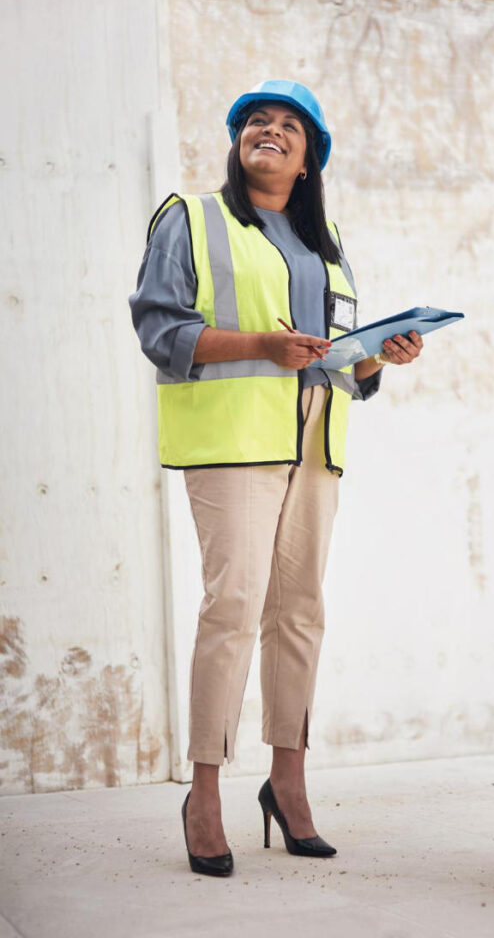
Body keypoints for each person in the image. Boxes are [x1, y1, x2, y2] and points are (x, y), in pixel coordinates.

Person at [129, 79, 423, 877]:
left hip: (315, 441)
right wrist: (261, 342)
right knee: (233, 607)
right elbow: (161, 329)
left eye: (290, 126)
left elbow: (337, 364)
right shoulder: (190, 217)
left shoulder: (322, 237)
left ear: (309, 158)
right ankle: (205, 794)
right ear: (238, 143)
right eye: (256, 120)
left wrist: (375, 354)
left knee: (300, 612)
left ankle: (288, 785)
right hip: (232, 442)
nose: (270, 130)